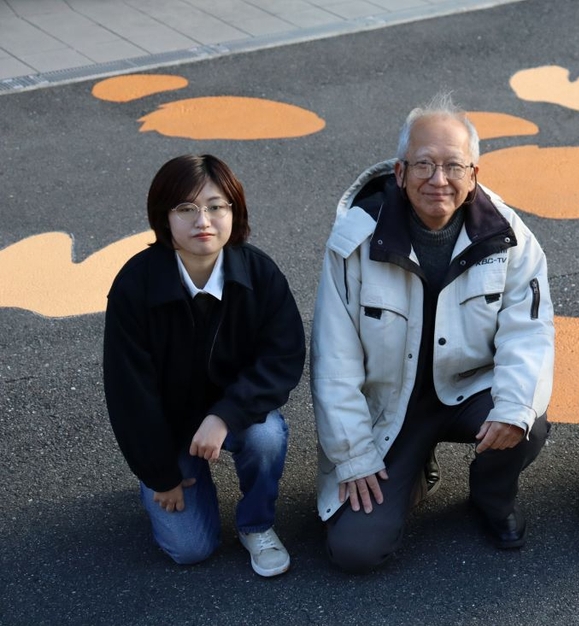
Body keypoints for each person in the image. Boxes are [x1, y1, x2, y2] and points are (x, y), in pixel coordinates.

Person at [311, 92, 554, 573]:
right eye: (422, 165)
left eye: (452, 166)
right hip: (390, 406)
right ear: (399, 173)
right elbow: (332, 359)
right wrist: (354, 455)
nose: (437, 180)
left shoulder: (510, 236)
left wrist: (513, 408)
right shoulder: (354, 244)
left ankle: (492, 498)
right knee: (356, 551)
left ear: (473, 176)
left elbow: (529, 333)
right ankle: (414, 467)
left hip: (469, 389)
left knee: (528, 416)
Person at [103, 154, 305, 576]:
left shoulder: (260, 274)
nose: (204, 221)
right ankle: (179, 477)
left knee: (266, 436)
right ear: (164, 218)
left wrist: (224, 415)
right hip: (170, 430)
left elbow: (281, 358)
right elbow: (129, 394)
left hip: (237, 415)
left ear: (235, 211)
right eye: (186, 208)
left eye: (217, 206)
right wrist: (161, 475)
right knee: (190, 549)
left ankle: (256, 525)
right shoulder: (134, 286)